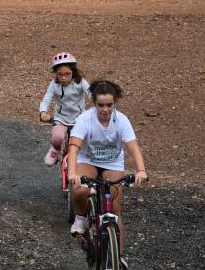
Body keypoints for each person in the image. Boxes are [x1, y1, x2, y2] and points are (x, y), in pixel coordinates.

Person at [67, 79, 147, 270]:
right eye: (101, 105)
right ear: (94, 103)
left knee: (115, 210)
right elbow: (74, 148)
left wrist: (141, 170)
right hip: (88, 160)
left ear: (114, 103)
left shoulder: (122, 120)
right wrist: (72, 172)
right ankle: (80, 218)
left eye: (109, 105)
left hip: (112, 163)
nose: (105, 109)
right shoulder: (85, 119)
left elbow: (133, 147)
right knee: (79, 191)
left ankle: (118, 256)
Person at [39, 52, 90, 166]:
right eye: (60, 74)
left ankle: (81, 160)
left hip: (79, 118)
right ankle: (55, 149)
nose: (63, 77)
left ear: (73, 72)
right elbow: (46, 99)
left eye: (67, 74)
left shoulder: (80, 81)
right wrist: (43, 112)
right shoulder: (54, 84)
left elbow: (91, 93)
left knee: (81, 142)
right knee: (57, 137)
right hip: (61, 118)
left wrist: (98, 106)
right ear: (56, 74)